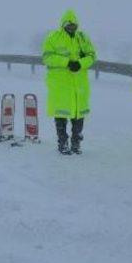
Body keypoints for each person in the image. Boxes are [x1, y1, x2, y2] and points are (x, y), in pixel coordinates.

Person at [42, 9, 97, 155]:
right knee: (61, 115)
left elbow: (92, 56)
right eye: (69, 25)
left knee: (78, 115)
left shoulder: (82, 38)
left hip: (79, 84)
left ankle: (76, 143)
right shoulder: (53, 38)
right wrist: (66, 62)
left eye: (74, 25)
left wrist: (80, 63)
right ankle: (63, 143)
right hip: (60, 85)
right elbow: (47, 57)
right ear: (63, 25)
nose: (72, 27)